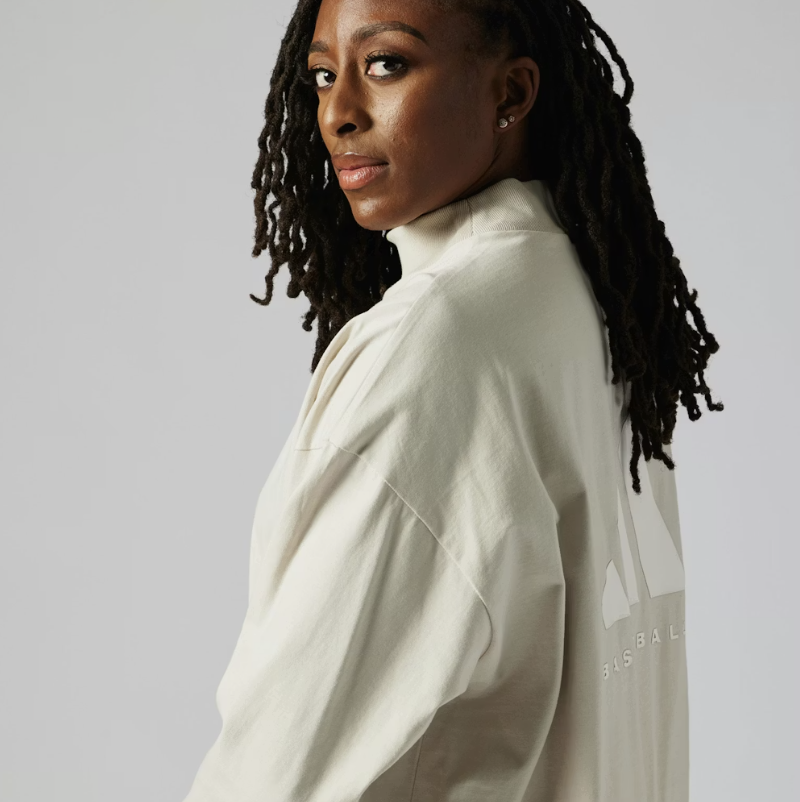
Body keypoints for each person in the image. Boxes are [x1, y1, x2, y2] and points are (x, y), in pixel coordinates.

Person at [182, 0, 724, 799]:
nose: (338, 112)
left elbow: (274, 770)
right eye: (324, 75)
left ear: (511, 92)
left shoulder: (433, 349)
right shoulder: (591, 308)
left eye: (387, 64)